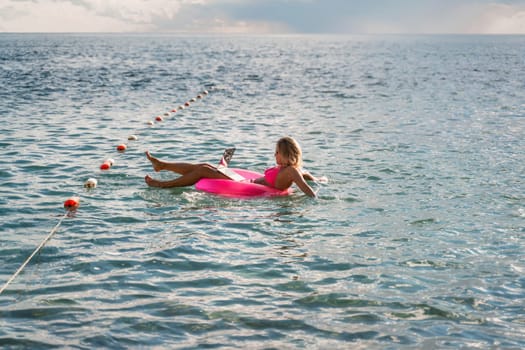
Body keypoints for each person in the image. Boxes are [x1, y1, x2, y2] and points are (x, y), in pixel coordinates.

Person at [145, 137, 320, 197]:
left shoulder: (291, 170)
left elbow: (305, 187)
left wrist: (316, 198)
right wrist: (318, 179)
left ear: (286, 153)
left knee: (203, 170)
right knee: (205, 166)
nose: (274, 156)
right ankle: (162, 165)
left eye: (277, 152)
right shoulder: (291, 169)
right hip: (246, 180)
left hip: (248, 185)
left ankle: (163, 184)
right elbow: (306, 175)